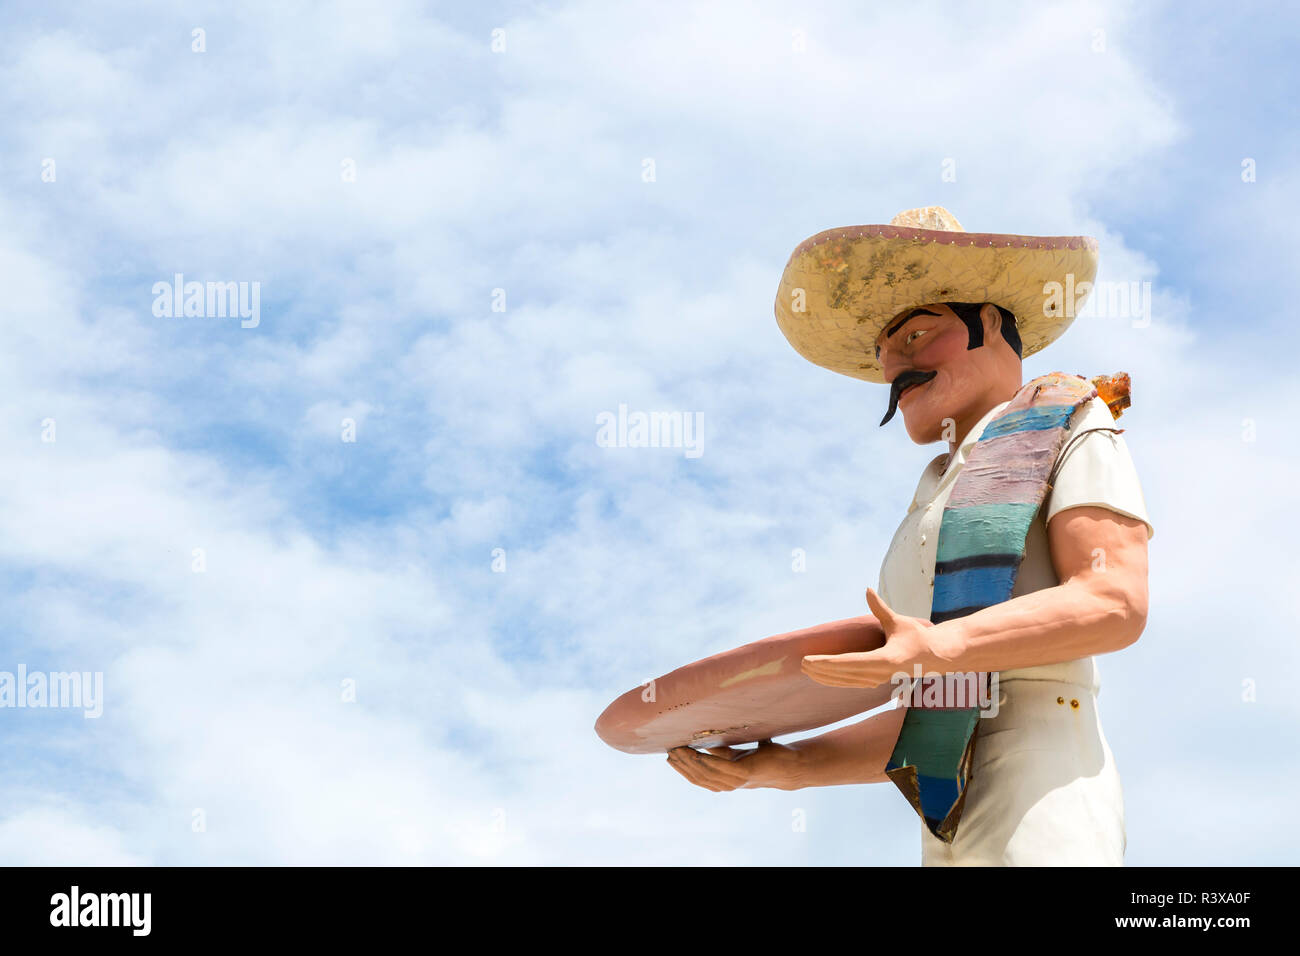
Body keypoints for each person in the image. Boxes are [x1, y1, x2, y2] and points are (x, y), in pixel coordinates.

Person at [666, 207, 1153, 866]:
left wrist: (940, 643)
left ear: (991, 325)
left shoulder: (1068, 419)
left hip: (1046, 790)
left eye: (920, 335)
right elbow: (934, 716)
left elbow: (1114, 601)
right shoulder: (929, 498)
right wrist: (774, 766)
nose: (898, 367)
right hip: (946, 825)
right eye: (886, 355)